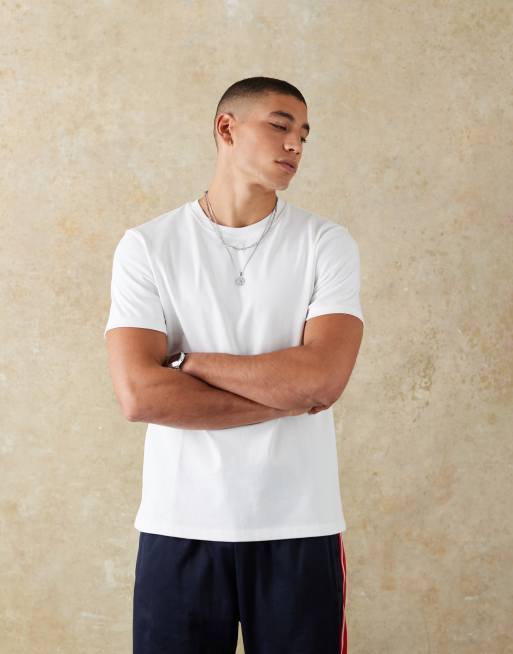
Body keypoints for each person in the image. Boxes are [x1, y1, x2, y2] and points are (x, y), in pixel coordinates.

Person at [104, 76, 364, 654]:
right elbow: (140, 396)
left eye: (303, 135)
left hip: (300, 525)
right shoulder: (148, 246)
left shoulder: (326, 243)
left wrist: (188, 362)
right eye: (280, 126)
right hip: (180, 525)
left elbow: (322, 380)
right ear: (226, 128)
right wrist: (287, 395)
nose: (295, 144)